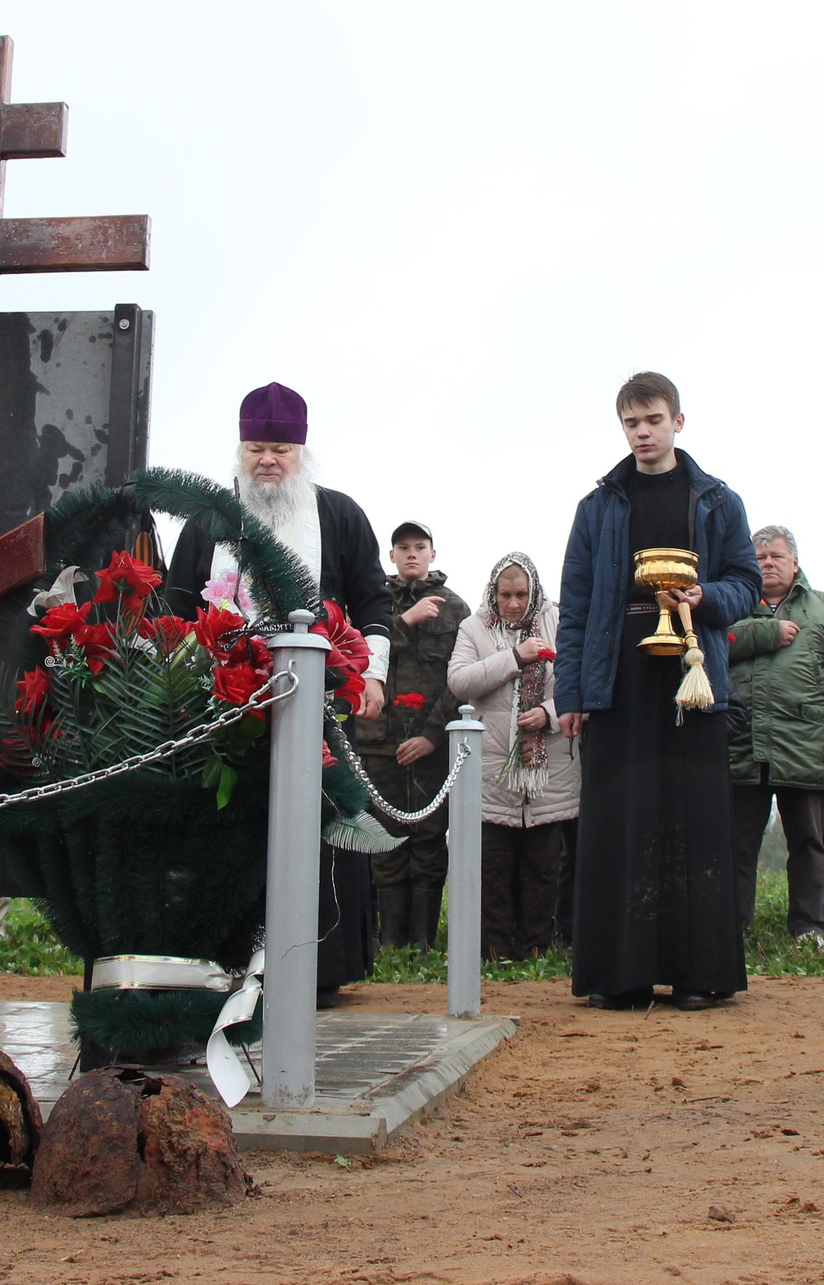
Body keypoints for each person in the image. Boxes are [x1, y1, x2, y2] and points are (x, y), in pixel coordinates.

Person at [165, 383, 393, 1004]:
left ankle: (315, 967)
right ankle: (229, 959)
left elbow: (374, 601)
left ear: (301, 452)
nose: (268, 460)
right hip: (223, 702)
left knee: (317, 824)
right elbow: (178, 604)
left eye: (281, 449)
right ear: (241, 450)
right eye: (257, 448)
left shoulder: (339, 515)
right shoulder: (208, 522)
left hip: (316, 699)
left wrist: (371, 673)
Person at [554, 372, 759, 1010]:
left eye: (653, 421)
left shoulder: (718, 501)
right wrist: (571, 694)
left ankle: (700, 975)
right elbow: (576, 606)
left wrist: (706, 597)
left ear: (678, 422)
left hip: (692, 678)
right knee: (620, 821)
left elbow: (747, 583)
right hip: (617, 681)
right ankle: (622, 975)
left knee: (695, 822)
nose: (643, 433)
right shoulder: (597, 507)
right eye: (631, 424)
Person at [724, 526, 824, 945]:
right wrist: (762, 633)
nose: (767, 563)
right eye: (759, 557)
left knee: (809, 842)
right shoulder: (733, 604)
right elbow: (707, 646)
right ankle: (733, 929)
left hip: (804, 745)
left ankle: (808, 926)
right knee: (737, 845)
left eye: (776, 557)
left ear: (795, 563)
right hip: (741, 743)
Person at [449, 551, 572, 962]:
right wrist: (515, 658)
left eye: (522, 594)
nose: (514, 604)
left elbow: (581, 682)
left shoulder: (559, 622)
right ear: (494, 593)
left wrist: (550, 715)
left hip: (550, 770)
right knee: (493, 869)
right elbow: (459, 682)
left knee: (543, 868)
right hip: (492, 773)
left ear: (534, 592)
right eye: (506, 595)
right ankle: (494, 948)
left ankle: (537, 946)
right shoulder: (474, 627)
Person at [360, 522, 464, 951]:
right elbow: (358, 657)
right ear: (392, 556)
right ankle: (389, 939)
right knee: (384, 838)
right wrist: (402, 621)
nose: (412, 555)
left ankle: (422, 940)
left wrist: (432, 737)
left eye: (420, 547)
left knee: (426, 836)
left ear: (433, 554)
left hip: (429, 744)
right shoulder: (373, 605)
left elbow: (459, 680)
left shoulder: (456, 608)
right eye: (403, 548)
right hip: (377, 740)